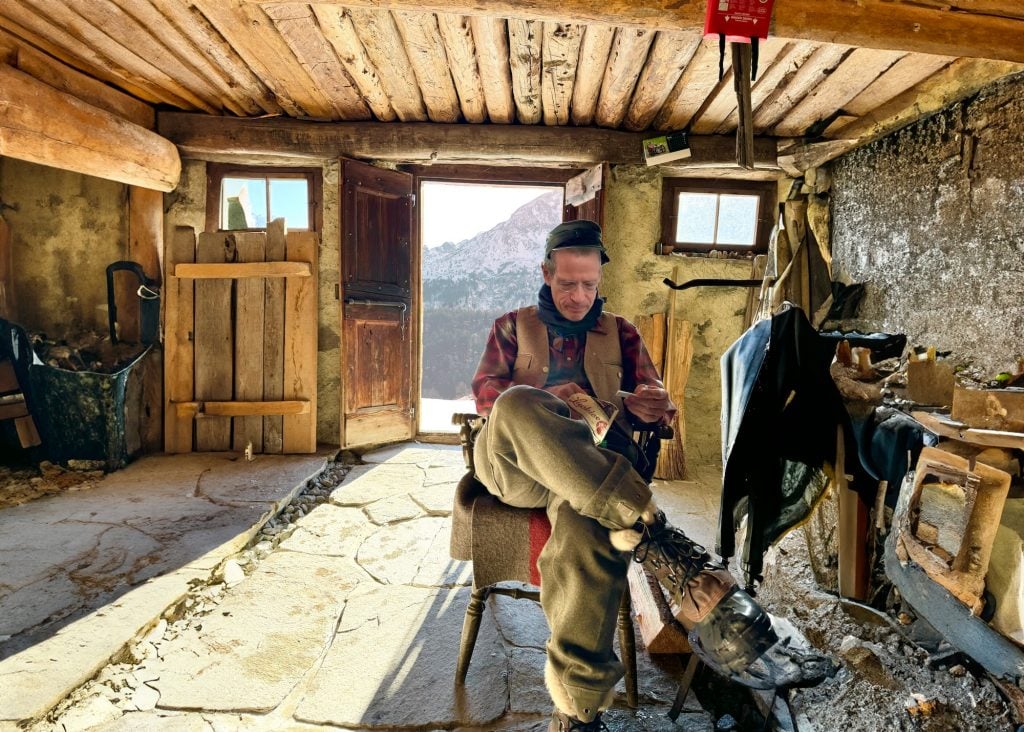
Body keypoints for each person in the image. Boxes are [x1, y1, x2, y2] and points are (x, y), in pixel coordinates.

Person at [471, 220, 833, 732]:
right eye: (567, 283)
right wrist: (560, 407)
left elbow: (658, 405)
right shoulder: (513, 325)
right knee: (514, 403)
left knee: (584, 532)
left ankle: (578, 709)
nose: (578, 296)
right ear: (546, 273)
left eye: (589, 285)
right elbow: (485, 396)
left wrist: (656, 407)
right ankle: (652, 531)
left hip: (587, 479)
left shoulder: (621, 333)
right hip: (519, 465)